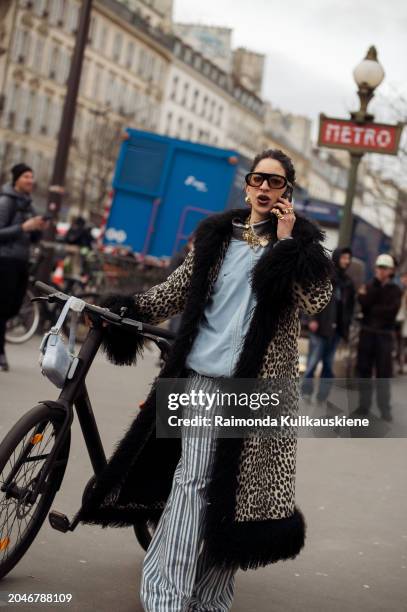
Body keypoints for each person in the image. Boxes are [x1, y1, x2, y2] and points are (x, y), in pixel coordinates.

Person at [80, 149, 333, 611]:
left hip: (256, 390)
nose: (264, 188)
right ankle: (166, 593)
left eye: (274, 183)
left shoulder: (301, 248)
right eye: (258, 179)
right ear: (247, 185)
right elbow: (176, 291)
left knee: (234, 492)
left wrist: (288, 243)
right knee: (193, 480)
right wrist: (126, 309)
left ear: (286, 193)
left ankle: (211, 595)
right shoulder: (217, 236)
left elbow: (315, 300)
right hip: (200, 377)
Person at [0, 163, 48, 371]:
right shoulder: (6, 201)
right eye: (26, 176)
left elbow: (32, 237)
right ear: (16, 179)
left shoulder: (29, 204)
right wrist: (23, 227)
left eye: (32, 176)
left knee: (14, 307)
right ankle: (1, 353)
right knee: (3, 307)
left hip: (21, 260)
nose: (31, 180)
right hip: (5, 260)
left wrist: (38, 229)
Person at [302, 247, 355, 403]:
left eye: (348, 258)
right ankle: (306, 392)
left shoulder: (348, 283)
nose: (346, 261)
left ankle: (322, 396)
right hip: (320, 327)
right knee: (312, 363)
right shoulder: (325, 276)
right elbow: (311, 296)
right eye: (344, 257)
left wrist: (346, 326)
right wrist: (311, 319)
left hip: (337, 331)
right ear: (337, 257)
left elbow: (351, 307)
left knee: (328, 365)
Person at [355, 254, 402, 421]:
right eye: (378, 267)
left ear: (390, 271)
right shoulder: (370, 285)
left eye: (383, 268)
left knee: (383, 374)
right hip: (367, 333)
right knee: (363, 371)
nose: (380, 271)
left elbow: (390, 312)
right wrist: (374, 289)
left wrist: (372, 307)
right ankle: (363, 406)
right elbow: (364, 302)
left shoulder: (395, 290)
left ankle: (385, 409)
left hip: (383, 336)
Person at [395, 272, 407, 374]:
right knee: (399, 343)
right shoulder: (398, 289)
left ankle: (402, 365)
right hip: (398, 320)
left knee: (402, 344)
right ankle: (400, 364)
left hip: (403, 321)